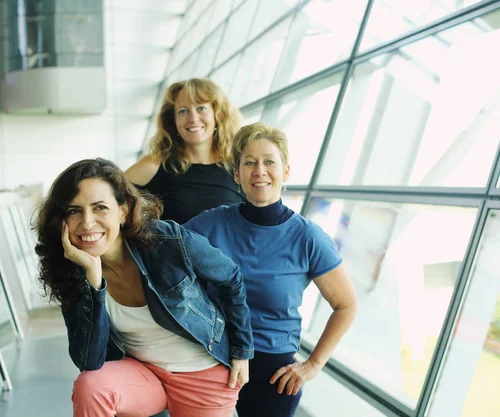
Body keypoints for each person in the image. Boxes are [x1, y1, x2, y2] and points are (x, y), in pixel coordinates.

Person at [34, 158, 253, 417]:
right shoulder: (72, 271)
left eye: (100, 208)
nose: (87, 222)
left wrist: (242, 351)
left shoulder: (168, 240)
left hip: (202, 373)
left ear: (123, 211)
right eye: (74, 211)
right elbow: (89, 362)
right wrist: (94, 280)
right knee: (90, 385)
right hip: (142, 374)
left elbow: (231, 278)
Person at [184, 123, 358, 417]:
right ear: (236, 174)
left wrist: (312, 366)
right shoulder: (209, 224)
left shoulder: (309, 238)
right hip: (210, 357)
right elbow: (162, 257)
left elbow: (346, 305)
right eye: (249, 162)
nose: (259, 171)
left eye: (269, 162)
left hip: (272, 371)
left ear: (285, 172)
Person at [125, 78, 245, 224]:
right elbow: (108, 200)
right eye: (183, 111)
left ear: (217, 115)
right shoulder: (153, 166)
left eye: (201, 108)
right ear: (173, 121)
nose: (193, 119)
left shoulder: (240, 167)